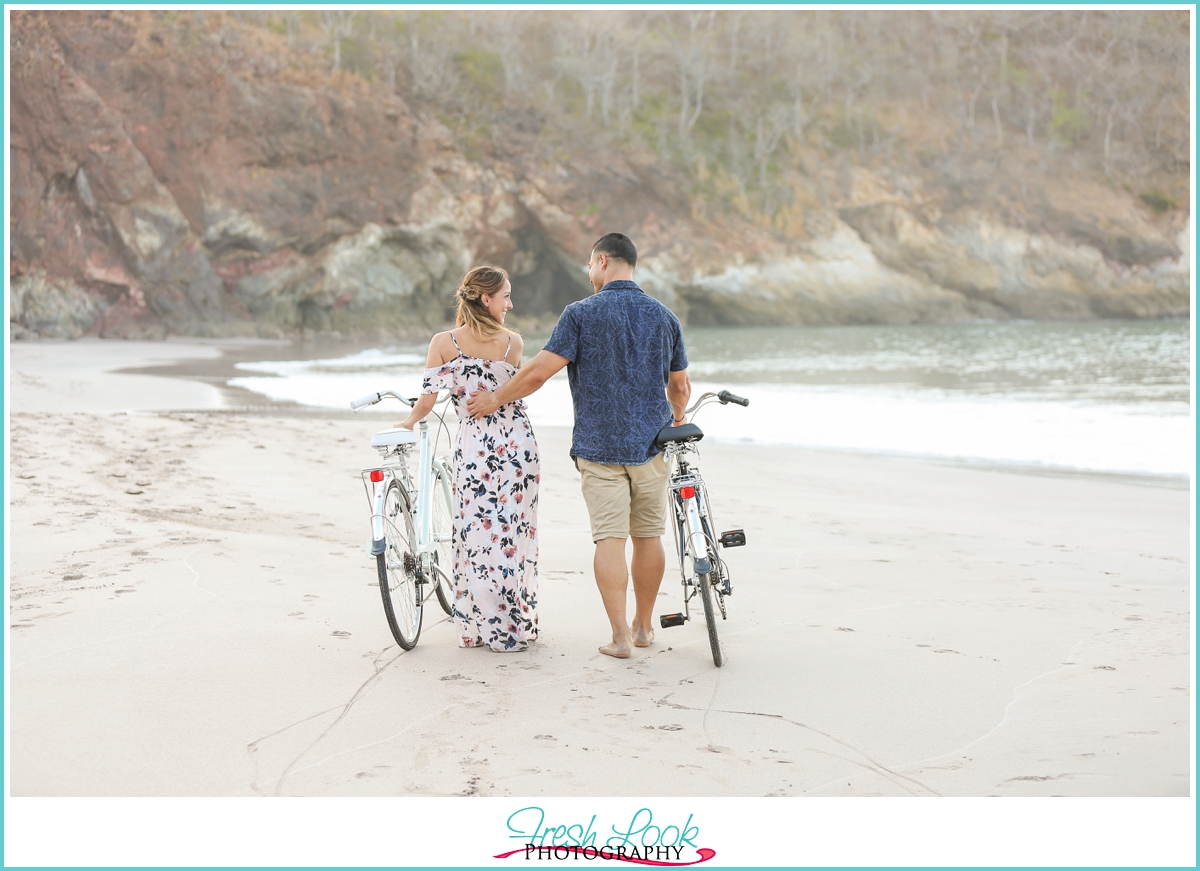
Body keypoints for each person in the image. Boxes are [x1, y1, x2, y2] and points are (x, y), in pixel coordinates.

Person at [467, 233, 690, 658]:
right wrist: (677, 420)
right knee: (648, 536)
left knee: (609, 540)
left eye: (590, 265)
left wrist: (496, 398)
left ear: (602, 261)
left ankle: (621, 636)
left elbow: (538, 372)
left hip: (600, 447)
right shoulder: (664, 317)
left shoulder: (581, 314)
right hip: (652, 445)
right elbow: (679, 385)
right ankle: (644, 627)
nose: (589, 273)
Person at [396, 266, 540, 652]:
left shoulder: (444, 343)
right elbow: (513, 393)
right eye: (506, 296)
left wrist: (408, 421)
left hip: (476, 448)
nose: (510, 303)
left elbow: (427, 401)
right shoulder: (512, 343)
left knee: (476, 536)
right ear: (485, 298)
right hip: (517, 446)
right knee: (510, 533)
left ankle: (478, 624)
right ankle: (510, 624)